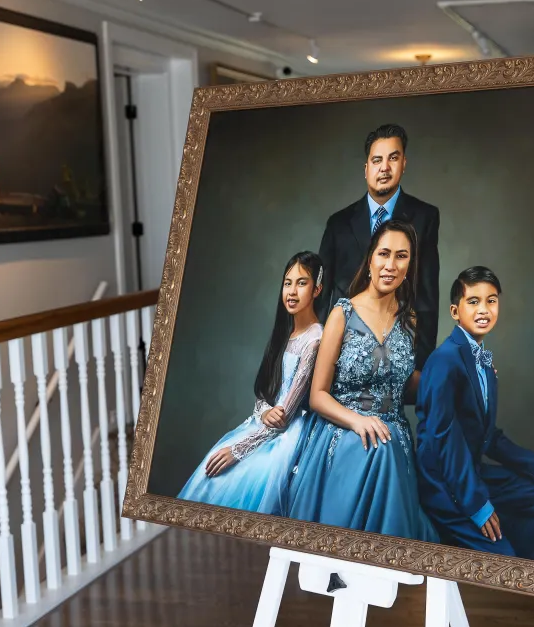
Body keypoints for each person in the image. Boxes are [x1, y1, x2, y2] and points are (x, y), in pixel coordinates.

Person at [280, 219, 439, 543]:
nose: (390, 265)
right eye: (383, 254)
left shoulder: (409, 319)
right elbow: (317, 396)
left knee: (387, 444)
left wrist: (457, 376)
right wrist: (358, 421)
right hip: (343, 428)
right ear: (370, 259)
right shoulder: (342, 313)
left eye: (401, 256)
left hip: (394, 434)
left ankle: (381, 571)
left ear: (410, 265)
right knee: (378, 447)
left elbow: (403, 384)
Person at [414, 266, 534, 559]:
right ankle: (504, 564)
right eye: (473, 301)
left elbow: (488, 437)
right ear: (455, 311)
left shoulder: (482, 360)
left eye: (491, 300)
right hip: (443, 485)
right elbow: (444, 441)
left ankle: (520, 568)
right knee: (503, 557)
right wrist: (477, 505)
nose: (484, 309)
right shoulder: (445, 361)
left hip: (472, 471)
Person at [177, 252, 325, 513]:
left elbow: (286, 415)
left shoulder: (315, 340)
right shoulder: (286, 332)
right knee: (207, 476)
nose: (292, 291)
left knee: (236, 480)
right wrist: (264, 410)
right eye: (287, 282)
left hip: (287, 436)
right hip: (263, 423)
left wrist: (239, 450)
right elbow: (264, 392)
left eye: (302, 283)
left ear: (317, 289)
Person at [317, 123, 440, 382]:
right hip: (343, 353)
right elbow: (321, 296)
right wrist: (315, 359)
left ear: (404, 163)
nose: (385, 167)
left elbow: (427, 299)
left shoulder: (425, 217)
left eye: (393, 158)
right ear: (366, 169)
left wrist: (422, 367)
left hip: (397, 352)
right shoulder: (338, 223)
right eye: (377, 160)